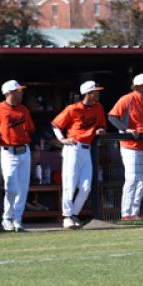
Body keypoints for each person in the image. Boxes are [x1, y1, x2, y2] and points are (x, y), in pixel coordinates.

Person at [51, 80, 106, 229]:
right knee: (70, 183)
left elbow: (101, 125)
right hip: (73, 148)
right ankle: (67, 216)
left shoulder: (98, 107)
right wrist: (62, 139)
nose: (98, 93)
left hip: (87, 149)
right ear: (88, 93)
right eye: (95, 91)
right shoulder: (73, 108)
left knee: (86, 186)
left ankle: (73, 213)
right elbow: (55, 124)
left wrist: (100, 131)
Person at [108, 73, 143, 221]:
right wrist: (126, 129)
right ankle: (126, 213)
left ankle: (134, 212)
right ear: (139, 87)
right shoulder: (127, 99)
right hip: (130, 145)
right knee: (132, 178)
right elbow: (112, 117)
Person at [0, 80, 35, 233]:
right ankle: (7, 218)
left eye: (20, 91)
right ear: (8, 93)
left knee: (22, 189)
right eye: (17, 91)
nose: (21, 93)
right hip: (8, 152)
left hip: (24, 151)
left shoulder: (24, 109)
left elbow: (31, 129)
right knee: (11, 186)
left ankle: (17, 219)